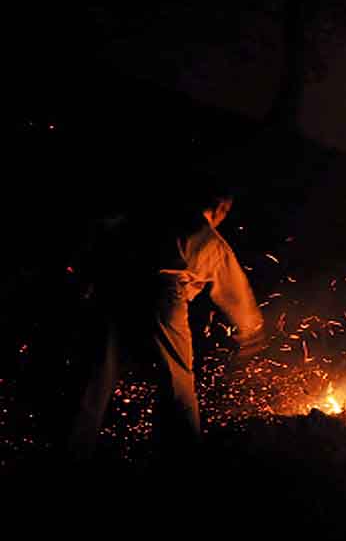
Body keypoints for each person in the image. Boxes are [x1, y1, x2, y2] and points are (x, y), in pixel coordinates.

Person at [68, 180, 266, 460]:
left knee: (97, 374)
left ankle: (71, 452)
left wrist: (85, 279)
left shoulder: (151, 215)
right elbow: (233, 290)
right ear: (220, 207)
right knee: (177, 380)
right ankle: (183, 456)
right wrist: (249, 328)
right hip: (163, 296)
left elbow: (104, 234)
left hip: (114, 286)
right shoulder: (207, 238)